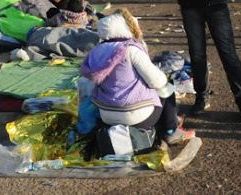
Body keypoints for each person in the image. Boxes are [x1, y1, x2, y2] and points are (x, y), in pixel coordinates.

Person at [80, 8, 194, 146]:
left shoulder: (96, 51)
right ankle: (171, 131)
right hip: (136, 117)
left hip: (106, 116)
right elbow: (157, 82)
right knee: (166, 87)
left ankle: (172, 121)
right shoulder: (130, 49)